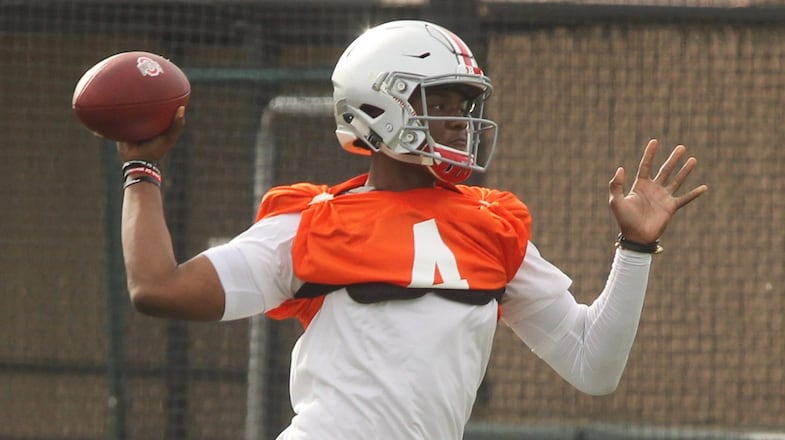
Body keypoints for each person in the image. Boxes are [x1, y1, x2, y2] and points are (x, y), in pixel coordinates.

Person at [116, 20, 707, 440]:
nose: (458, 122)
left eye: (464, 105)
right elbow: (157, 288)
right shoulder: (309, 221)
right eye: (440, 101)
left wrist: (636, 248)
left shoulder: (492, 224)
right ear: (379, 104)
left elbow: (593, 365)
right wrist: (142, 167)